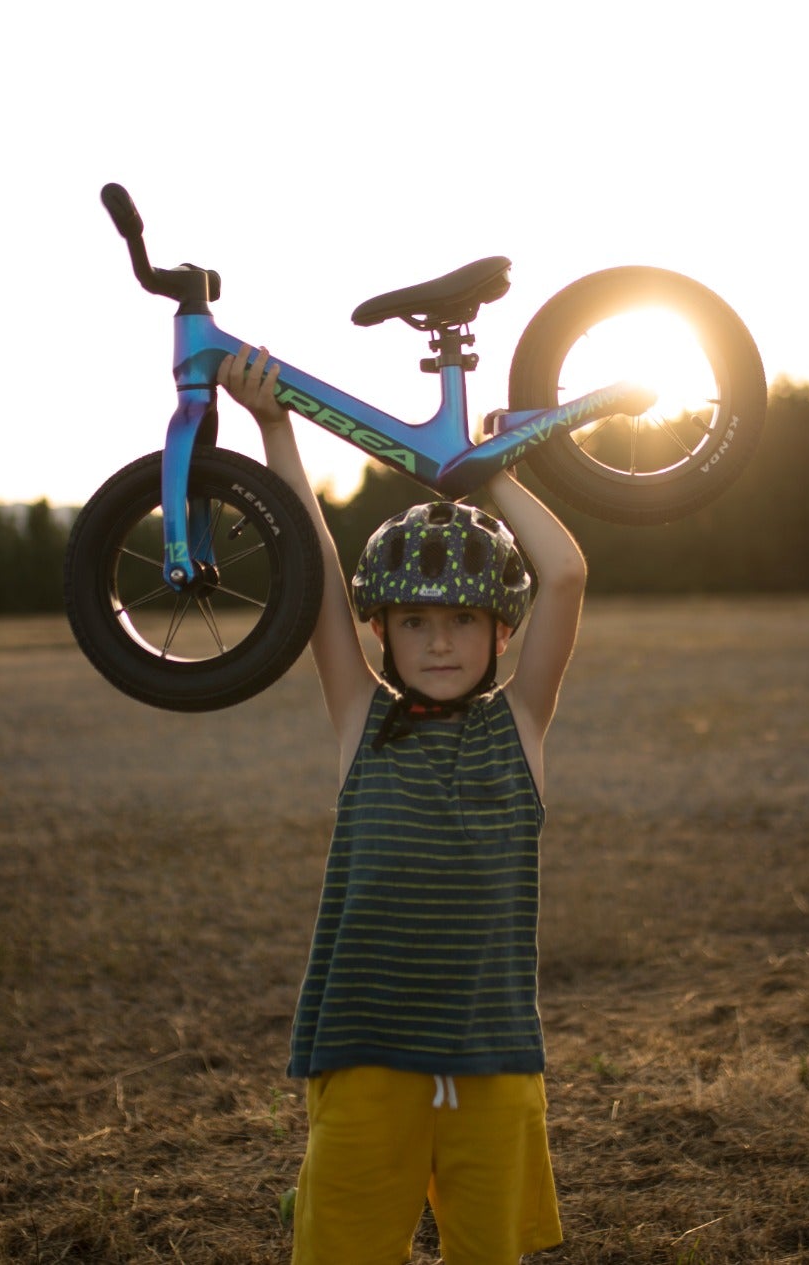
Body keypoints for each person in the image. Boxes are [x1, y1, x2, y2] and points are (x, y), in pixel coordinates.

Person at [218, 345, 586, 1265]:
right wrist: (275, 427)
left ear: (502, 629)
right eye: (414, 620)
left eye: (462, 617)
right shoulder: (360, 717)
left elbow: (567, 575)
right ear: (379, 627)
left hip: (493, 1064)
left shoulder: (522, 728)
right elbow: (310, 565)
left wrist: (491, 478)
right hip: (368, 1053)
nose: (438, 640)